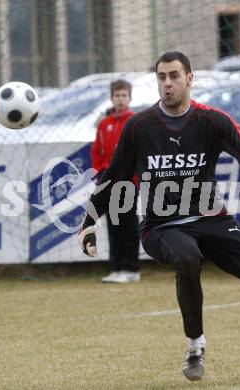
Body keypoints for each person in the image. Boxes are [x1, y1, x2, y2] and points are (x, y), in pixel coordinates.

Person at [78, 52, 240, 380]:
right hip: (162, 225)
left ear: (189, 79)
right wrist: (89, 221)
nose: (167, 83)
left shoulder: (212, 120)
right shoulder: (139, 126)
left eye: (174, 75)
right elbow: (114, 176)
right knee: (187, 258)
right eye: (161, 77)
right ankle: (195, 346)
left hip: (211, 219)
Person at [91, 79, 140, 283]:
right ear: (112, 98)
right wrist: (100, 173)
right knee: (113, 223)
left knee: (128, 224)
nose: (120, 99)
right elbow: (97, 152)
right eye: (117, 95)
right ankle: (117, 267)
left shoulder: (136, 122)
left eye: (124, 95)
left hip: (128, 180)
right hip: (108, 181)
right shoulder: (104, 124)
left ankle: (131, 269)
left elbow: (139, 152)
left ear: (130, 98)